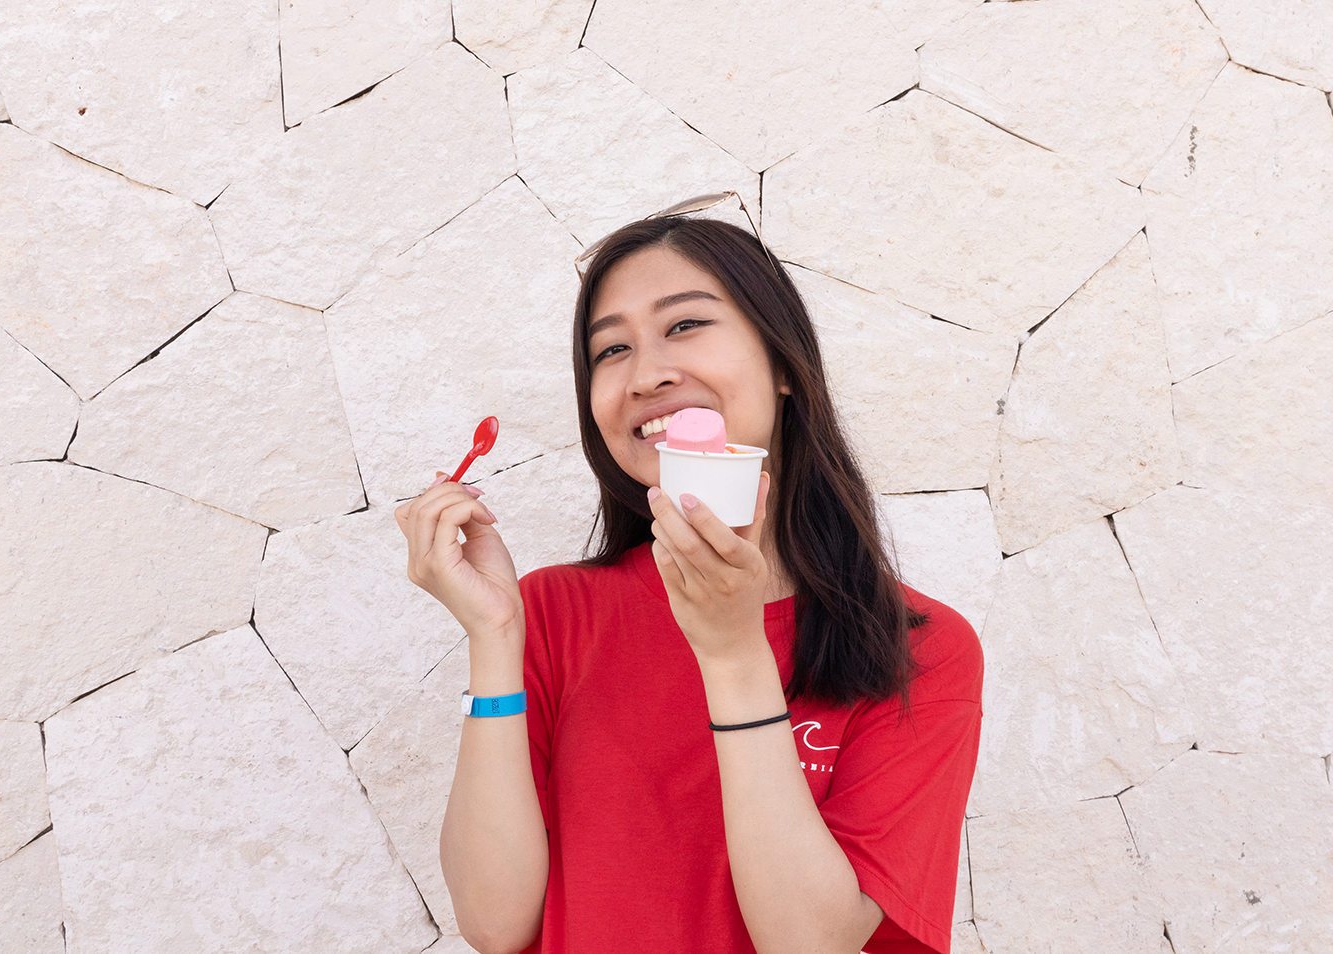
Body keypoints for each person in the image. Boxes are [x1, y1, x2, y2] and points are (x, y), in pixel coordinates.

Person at [394, 200, 983, 954]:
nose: (646, 374)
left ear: (783, 367)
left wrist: (733, 652)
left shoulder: (919, 650)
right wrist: (494, 635)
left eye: (684, 326)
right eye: (610, 351)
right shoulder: (551, 612)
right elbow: (494, 921)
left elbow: (813, 941)